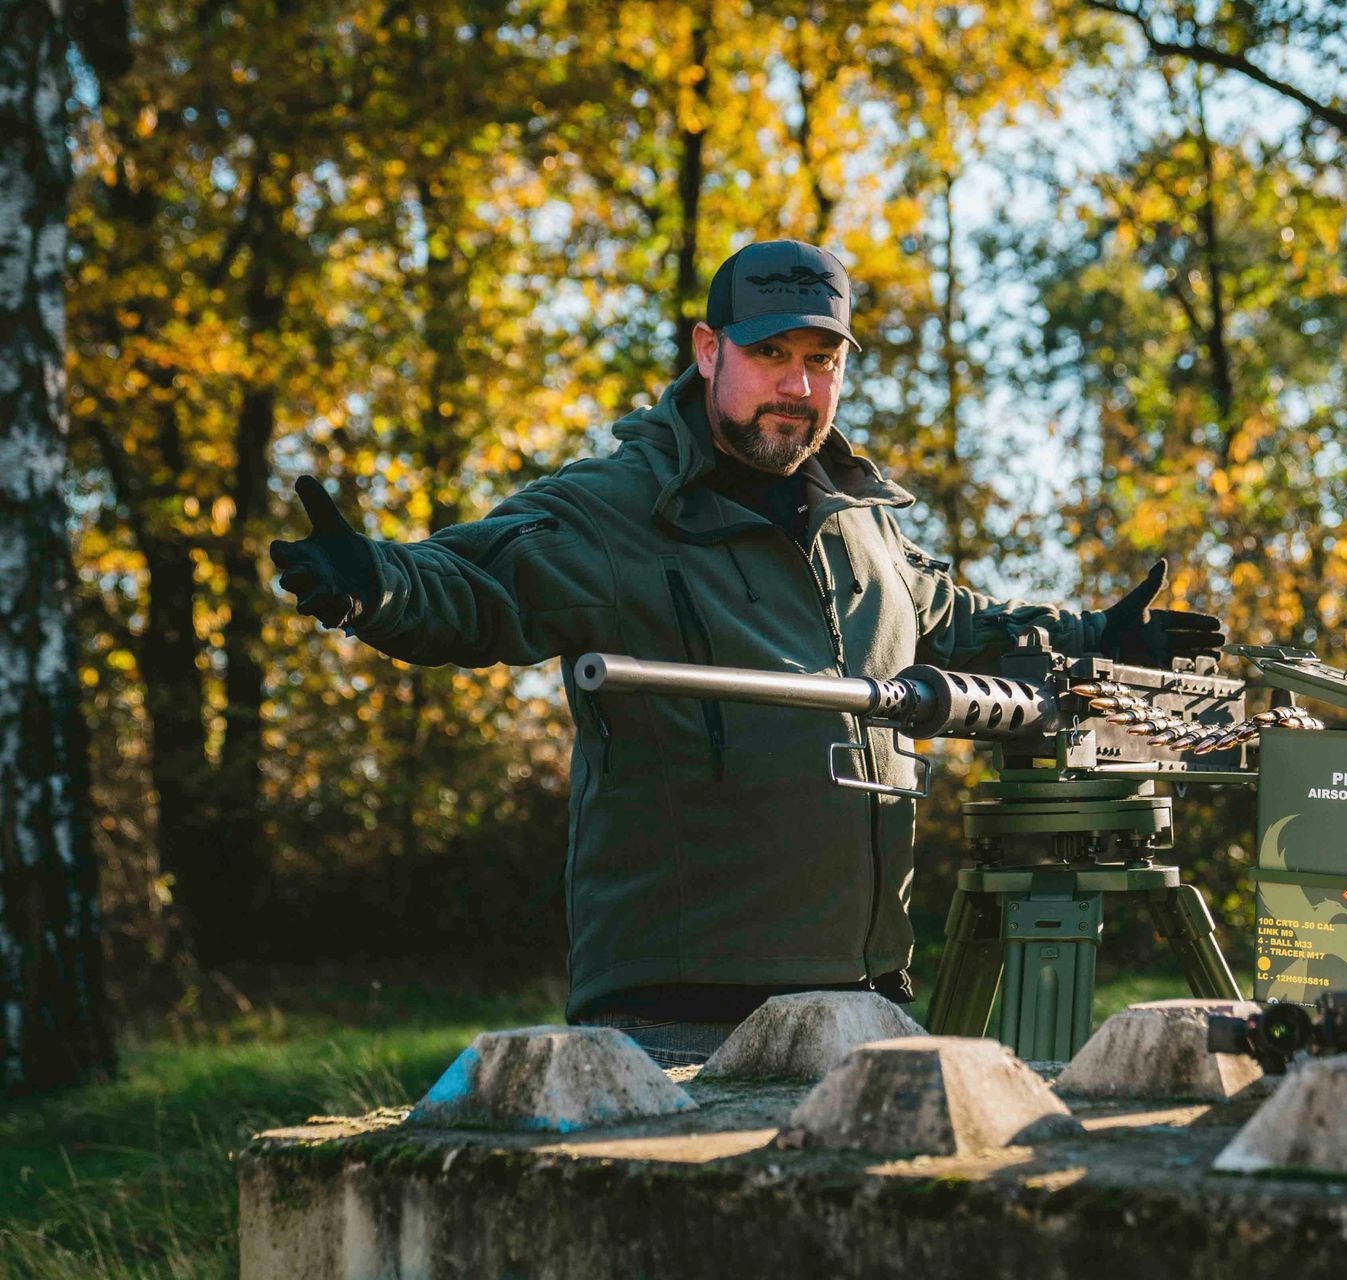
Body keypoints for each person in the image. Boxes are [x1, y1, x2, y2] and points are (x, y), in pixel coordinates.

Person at [270, 239, 1224, 1065]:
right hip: (675, 1020)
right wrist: (378, 585)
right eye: (771, 354)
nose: (799, 387)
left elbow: (963, 625)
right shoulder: (614, 509)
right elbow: (472, 585)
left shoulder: (862, 522)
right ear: (707, 350)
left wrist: (1098, 640)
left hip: (866, 1003)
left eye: (823, 360)